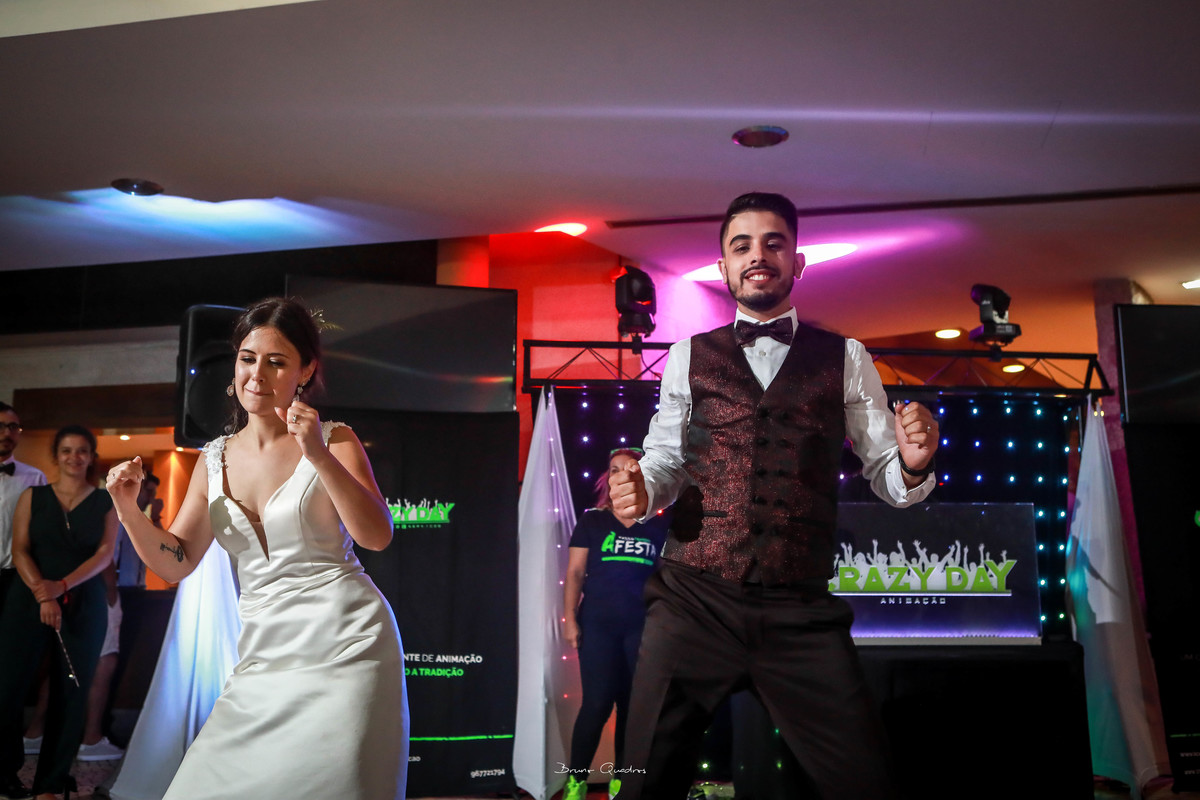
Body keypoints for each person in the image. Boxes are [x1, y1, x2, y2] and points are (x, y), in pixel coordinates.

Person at [608, 192, 940, 799]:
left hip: (800, 611)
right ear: (724, 266)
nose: (757, 255)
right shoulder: (686, 356)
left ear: (798, 262)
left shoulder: (847, 357)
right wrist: (641, 491)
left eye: (773, 243)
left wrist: (915, 466)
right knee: (643, 784)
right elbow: (666, 462)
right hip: (693, 602)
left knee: (868, 785)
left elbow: (887, 476)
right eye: (742, 246)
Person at [105, 296, 408, 800]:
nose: (257, 374)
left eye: (276, 361)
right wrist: (128, 510)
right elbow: (176, 562)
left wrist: (317, 455)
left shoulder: (335, 440)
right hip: (262, 659)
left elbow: (377, 535)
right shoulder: (212, 459)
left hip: (348, 647)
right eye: (248, 358)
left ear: (305, 371)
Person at [0, 425, 119, 800]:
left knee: (72, 692)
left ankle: (49, 784)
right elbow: (19, 549)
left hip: (84, 601)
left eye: (82, 450)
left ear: (91, 456)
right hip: (29, 597)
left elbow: (105, 554)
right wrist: (44, 594)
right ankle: (4, 773)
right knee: (7, 687)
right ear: (56, 456)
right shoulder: (32, 496)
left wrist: (62, 586)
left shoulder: (106, 501)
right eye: (66, 450)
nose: (74, 457)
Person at [561, 448, 671, 800]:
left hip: (642, 627)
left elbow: (665, 578)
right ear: (607, 478)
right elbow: (575, 573)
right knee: (596, 704)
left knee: (632, 706)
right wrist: (570, 620)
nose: (620, 473)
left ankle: (622, 782)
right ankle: (575, 781)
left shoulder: (658, 524)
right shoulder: (593, 521)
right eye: (614, 469)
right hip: (598, 625)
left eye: (628, 468)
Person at [0, 402, 48, 617]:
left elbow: (43, 533)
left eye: (13, 427)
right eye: (0, 426)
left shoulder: (34, 478)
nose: (7, 433)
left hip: (18, 578)